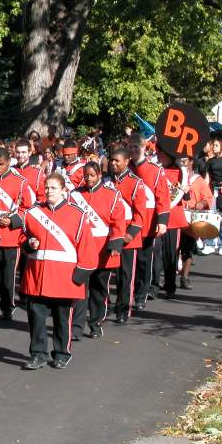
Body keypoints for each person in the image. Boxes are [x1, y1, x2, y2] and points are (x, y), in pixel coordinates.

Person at [20, 173, 96, 369]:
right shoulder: (33, 213)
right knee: (36, 318)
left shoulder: (77, 214)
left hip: (65, 278)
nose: (48, 191)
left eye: (53, 188)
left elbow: (87, 247)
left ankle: (62, 353)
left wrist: (79, 276)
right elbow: (22, 237)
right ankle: (38, 354)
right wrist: (28, 243)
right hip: (38, 277)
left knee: (62, 319)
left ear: (63, 190)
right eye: (46, 187)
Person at [68, 163, 126, 339]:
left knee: (98, 289)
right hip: (82, 249)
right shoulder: (75, 195)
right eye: (86, 175)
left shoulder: (112, 195)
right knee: (79, 289)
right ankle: (76, 328)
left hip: (102, 250)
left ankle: (95, 324)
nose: (88, 179)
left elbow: (119, 221)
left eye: (92, 175)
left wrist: (115, 244)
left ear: (100, 175)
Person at [0, 148, 36, 322]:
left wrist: (12, 220)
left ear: (9, 162)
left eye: (1, 164)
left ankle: (7, 308)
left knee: (7, 278)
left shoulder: (21, 182)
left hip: (11, 237)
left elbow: (29, 209)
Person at [128, 134, 170, 311]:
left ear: (144, 148)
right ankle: (127, 296)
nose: (133, 150)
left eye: (136, 147)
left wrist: (162, 221)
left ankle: (141, 295)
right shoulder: (125, 167)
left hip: (148, 221)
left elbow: (163, 197)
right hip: (129, 221)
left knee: (145, 260)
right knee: (129, 262)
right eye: (130, 147)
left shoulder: (155, 170)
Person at [109, 148, 148, 323]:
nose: (113, 163)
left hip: (127, 235)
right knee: (110, 274)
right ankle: (107, 306)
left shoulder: (135, 183)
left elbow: (140, 213)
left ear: (126, 162)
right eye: (111, 160)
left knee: (125, 275)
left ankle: (123, 310)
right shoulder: (107, 181)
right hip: (110, 234)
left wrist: (130, 233)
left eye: (117, 160)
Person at [154, 148, 190, 298]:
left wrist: (186, 191)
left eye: (161, 153)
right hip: (156, 216)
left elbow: (186, 197)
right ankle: (153, 285)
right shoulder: (155, 169)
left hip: (173, 217)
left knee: (170, 253)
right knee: (155, 253)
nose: (158, 155)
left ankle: (170, 285)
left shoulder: (181, 171)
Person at [179, 156, 213, 289]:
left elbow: (208, 197)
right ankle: (169, 278)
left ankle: (185, 277)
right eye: (180, 161)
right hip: (176, 217)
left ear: (191, 162)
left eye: (184, 161)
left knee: (188, 249)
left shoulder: (198, 180)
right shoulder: (176, 176)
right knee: (172, 250)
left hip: (190, 219)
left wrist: (202, 203)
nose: (182, 164)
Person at [200, 135, 222, 255]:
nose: (214, 147)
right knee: (212, 217)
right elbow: (207, 179)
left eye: (216, 145)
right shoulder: (210, 161)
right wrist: (203, 194)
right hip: (213, 191)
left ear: (221, 146)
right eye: (213, 145)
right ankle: (210, 244)